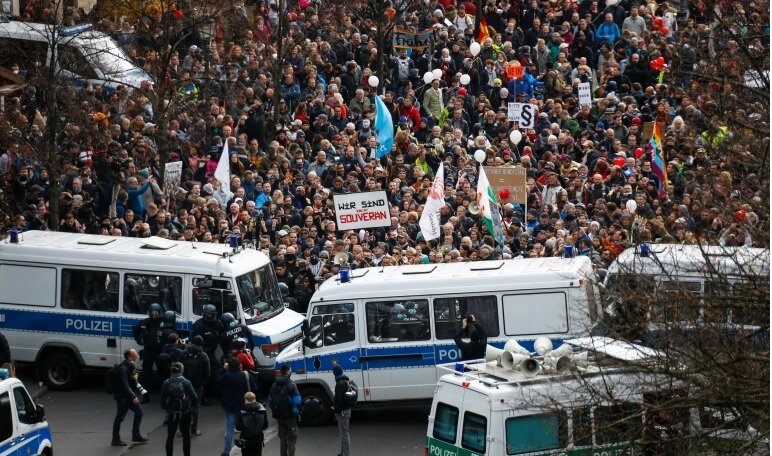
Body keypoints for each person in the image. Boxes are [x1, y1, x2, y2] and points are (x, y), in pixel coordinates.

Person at [217, 358, 258, 456]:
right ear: (240, 366)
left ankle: (226, 451)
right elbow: (255, 388)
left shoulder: (226, 376)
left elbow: (218, 382)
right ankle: (247, 449)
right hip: (245, 405)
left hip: (230, 406)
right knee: (246, 428)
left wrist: (223, 369)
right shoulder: (246, 375)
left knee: (230, 428)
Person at [112, 348, 148, 446]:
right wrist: (133, 397)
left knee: (139, 413)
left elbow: (130, 381)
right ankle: (115, 439)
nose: (137, 355)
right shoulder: (123, 368)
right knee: (120, 418)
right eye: (135, 353)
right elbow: (124, 385)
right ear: (129, 356)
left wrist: (134, 377)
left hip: (128, 396)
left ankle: (136, 435)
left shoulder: (130, 365)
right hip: (123, 397)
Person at [160, 362, 197, 456]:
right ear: (182, 370)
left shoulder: (166, 382)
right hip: (185, 411)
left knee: (170, 436)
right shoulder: (186, 382)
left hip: (172, 412)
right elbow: (195, 397)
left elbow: (162, 400)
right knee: (186, 436)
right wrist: (190, 408)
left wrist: (167, 408)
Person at [191, 304, 224, 403]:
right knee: (204, 376)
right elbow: (195, 341)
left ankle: (214, 392)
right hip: (202, 354)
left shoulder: (216, 323)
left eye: (211, 315)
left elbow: (222, 331)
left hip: (212, 353)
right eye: (208, 314)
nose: (209, 317)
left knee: (215, 373)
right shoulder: (198, 325)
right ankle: (204, 396)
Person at [179, 335, 210, 436]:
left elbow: (179, 366)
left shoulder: (184, 353)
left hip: (185, 382)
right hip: (197, 384)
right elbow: (207, 372)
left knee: (183, 405)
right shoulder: (203, 355)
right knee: (195, 407)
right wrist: (203, 382)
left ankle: (182, 429)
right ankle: (194, 429)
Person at [269, 364, 301, 456]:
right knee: (291, 439)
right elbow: (297, 401)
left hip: (279, 416)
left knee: (282, 439)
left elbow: (270, 399)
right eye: (290, 370)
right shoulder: (292, 384)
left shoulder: (274, 384)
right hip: (290, 416)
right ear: (288, 372)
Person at [132, 303, 165, 388]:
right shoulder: (145, 322)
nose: (154, 314)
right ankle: (146, 391)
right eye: (153, 312)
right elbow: (135, 331)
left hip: (159, 351)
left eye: (156, 312)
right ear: (149, 313)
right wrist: (139, 341)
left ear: (160, 312)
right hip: (148, 351)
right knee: (146, 372)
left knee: (162, 371)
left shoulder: (163, 322)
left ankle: (163, 390)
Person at [235, 391, 268, 456]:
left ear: (245, 400)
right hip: (258, 439)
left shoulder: (241, 412)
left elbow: (238, 427)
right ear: (254, 399)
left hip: (245, 439)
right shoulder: (262, 411)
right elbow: (265, 425)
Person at [332, 365, 353, 456]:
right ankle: (342, 453)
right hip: (346, 410)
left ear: (335, 374)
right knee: (343, 434)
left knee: (344, 434)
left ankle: (346, 454)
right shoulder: (345, 380)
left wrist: (335, 410)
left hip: (342, 412)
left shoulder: (339, 384)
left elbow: (339, 401)